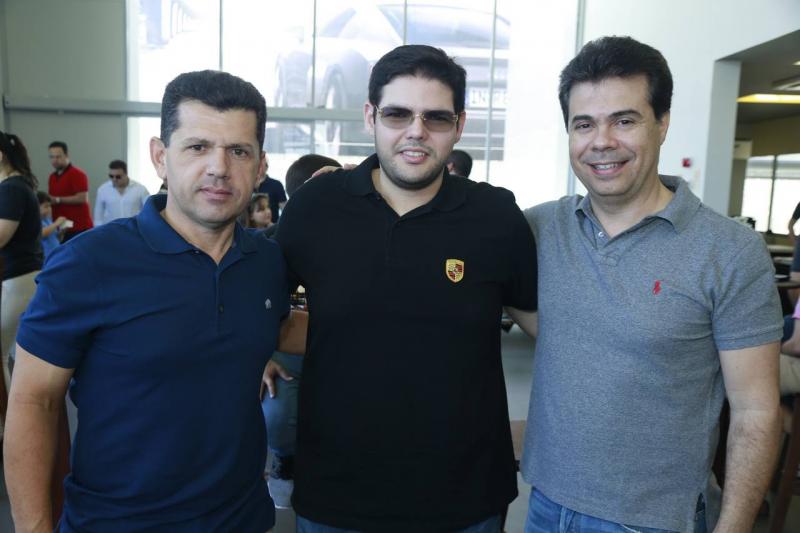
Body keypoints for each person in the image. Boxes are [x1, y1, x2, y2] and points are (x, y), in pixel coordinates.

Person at [4, 70, 307, 532]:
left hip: (242, 519)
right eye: (197, 147)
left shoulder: (266, 262)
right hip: (118, 523)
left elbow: (272, 325)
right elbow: (34, 401)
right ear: (160, 157)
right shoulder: (89, 262)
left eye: (239, 151)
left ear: (261, 166)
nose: (219, 168)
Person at [513, 36, 782, 532]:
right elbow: (557, 326)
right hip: (544, 505)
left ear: (662, 123)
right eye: (584, 124)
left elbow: (756, 411)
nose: (601, 141)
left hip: (655, 520)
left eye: (624, 120)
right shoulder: (537, 229)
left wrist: (734, 526)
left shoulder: (730, 250)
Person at [271, 44, 538, 532]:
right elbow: (256, 302)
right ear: (370, 116)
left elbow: (544, 324)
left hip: (465, 499)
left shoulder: (495, 216)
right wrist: (258, 356)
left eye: (436, 117)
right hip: (338, 496)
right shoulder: (316, 207)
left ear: (459, 125)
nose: (416, 131)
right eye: (397, 114)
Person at [261, 152, 341, 509]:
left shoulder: (358, 239)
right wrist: (260, 359)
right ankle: (285, 460)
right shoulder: (270, 244)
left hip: (342, 349)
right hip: (286, 352)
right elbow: (246, 308)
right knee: (277, 416)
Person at [0, 131, 43, 395]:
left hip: (18, 276)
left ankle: (7, 416)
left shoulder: (12, 188)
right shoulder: (14, 186)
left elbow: (1, 236)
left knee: (1, 353)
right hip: (18, 276)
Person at [47, 141, 93, 240]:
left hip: (79, 227)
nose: (55, 160)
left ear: (67, 155)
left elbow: (82, 198)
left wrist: (58, 200)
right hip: (61, 227)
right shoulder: (52, 177)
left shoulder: (78, 174)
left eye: (58, 156)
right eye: (52, 157)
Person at [93, 159, 150, 225]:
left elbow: (148, 211)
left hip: (133, 228)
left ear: (126, 174)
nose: (114, 179)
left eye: (118, 177)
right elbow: (98, 217)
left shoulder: (140, 189)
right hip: (111, 228)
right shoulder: (102, 190)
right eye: (111, 176)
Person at [256, 156, 287, 223]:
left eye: (261, 164)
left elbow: (285, 211)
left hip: (271, 226)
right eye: (257, 164)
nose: (258, 167)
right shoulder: (246, 184)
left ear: (266, 167)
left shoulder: (276, 185)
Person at [37, 191, 67, 259]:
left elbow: (57, 238)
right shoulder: (37, 221)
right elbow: (43, 233)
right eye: (46, 206)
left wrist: (61, 232)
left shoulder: (48, 220)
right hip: (46, 256)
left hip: (56, 253)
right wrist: (56, 223)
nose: (49, 209)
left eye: (50, 206)